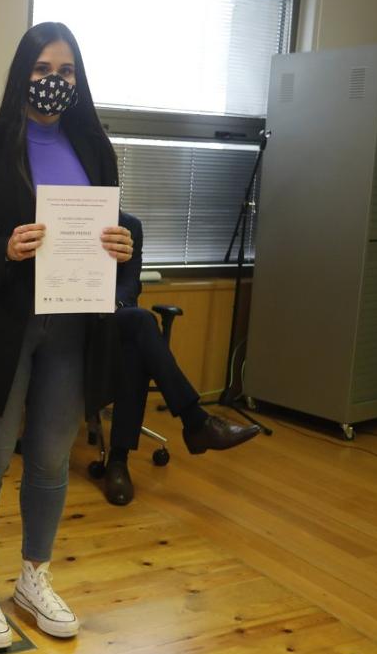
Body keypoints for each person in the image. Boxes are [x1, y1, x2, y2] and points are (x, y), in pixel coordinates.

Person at [0, 21, 131, 648]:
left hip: (73, 325)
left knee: (48, 460)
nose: (54, 82)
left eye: (66, 71)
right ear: (22, 72)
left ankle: (34, 577)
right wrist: (3, 248)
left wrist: (125, 246)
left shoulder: (95, 147)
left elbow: (113, 231)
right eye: (43, 69)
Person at [103, 211, 260, 506]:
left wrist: (111, 304)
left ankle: (119, 461)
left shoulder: (129, 226)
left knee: (136, 341)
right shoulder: (59, 217)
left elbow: (130, 285)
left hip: (114, 319)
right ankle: (195, 423)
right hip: (68, 323)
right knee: (141, 327)